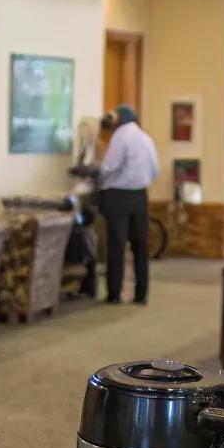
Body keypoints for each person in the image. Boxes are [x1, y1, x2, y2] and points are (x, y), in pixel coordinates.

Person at [98, 105, 159, 304]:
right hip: (140, 196)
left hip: (118, 196)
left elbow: (109, 166)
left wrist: (99, 175)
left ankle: (114, 293)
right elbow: (155, 170)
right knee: (140, 245)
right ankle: (141, 294)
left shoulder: (120, 136)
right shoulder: (146, 138)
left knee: (117, 245)